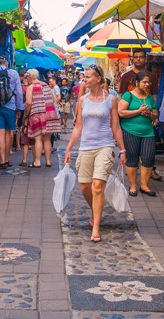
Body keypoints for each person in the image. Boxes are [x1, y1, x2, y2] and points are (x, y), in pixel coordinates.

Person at [64, 65, 127, 243]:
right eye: (85, 77)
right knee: (85, 186)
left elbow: (115, 126)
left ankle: (96, 227)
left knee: (97, 185)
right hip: (85, 147)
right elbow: (78, 127)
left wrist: (122, 149)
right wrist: (69, 148)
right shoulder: (82, 101)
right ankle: (95, 210)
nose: (85, 80)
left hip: (105, 146)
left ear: (99, 79)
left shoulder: (111, 100)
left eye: (89, 77)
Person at [117, 71, 158, 197]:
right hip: (130, 130)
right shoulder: (128, 95)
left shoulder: (149, 97)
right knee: (133, 158)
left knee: (148, 157)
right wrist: (138, 111)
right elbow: (121, 112)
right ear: (136, 82)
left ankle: (144, 185)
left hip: (148, 132)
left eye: (148, 82)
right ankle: (133, 185)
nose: (147, 84)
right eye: (144, 82)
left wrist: (149, 114)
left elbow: (155, 115)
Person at [25, 69, 62, 168]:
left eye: (27, 77)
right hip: (49, 114)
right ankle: (48, 161)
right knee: (47, 139)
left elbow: (28, 103)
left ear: (31, 77)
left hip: (37, 113)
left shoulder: (31, 87)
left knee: (38, 138)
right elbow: (53, 99)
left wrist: (25, 115)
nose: (26, 79)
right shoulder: (46, 86)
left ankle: (37, 161)